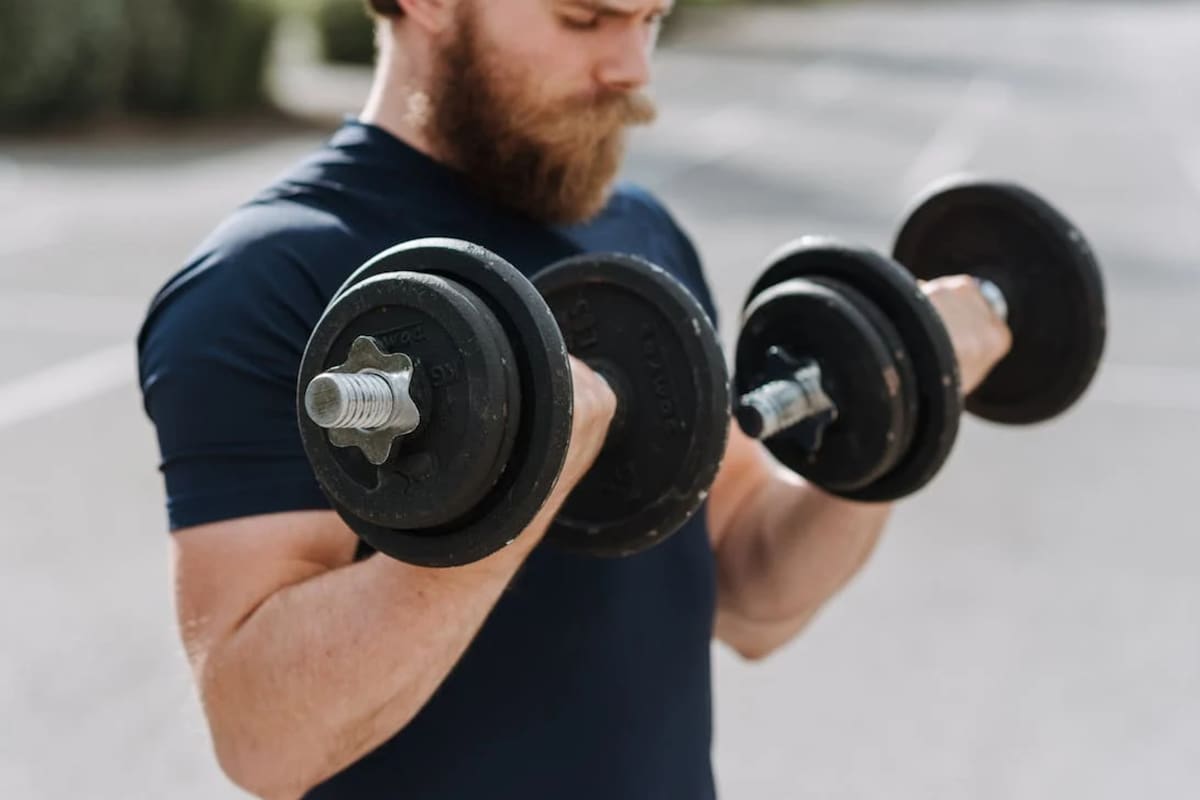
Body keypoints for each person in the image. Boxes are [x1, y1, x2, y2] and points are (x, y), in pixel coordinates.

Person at [136, 1, 1012, 797]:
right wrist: (517, 487)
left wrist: (898, 413)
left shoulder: (640, 236)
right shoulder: (264, 280)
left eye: (650, 20)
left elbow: (750, 590)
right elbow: (264, 740)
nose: (632, 69)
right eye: (584, 21)